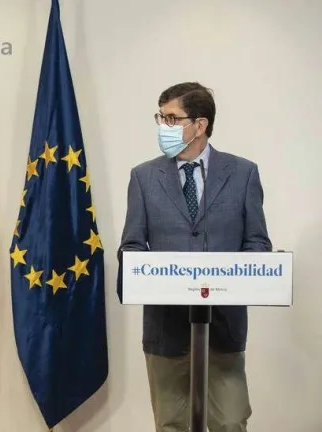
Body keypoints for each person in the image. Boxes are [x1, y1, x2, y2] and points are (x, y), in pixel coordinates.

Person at [117, 82, 271, 432]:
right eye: (160, 117)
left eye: (172, 119)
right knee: (171, 424)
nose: (163, 126)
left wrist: (227, 280)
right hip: (165, 328)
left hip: (223, 326)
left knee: (230, 423)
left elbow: (258, 244)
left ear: (200, 125)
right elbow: (132, 247)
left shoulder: (243, 173)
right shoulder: (143, 177)